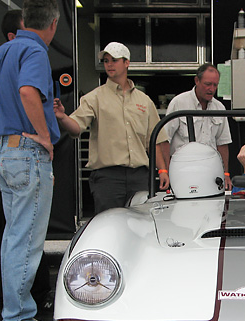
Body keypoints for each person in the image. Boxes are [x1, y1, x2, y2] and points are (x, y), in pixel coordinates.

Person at [0, 0, 61, 321]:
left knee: (13, 240)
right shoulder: (35, 52)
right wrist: (42, 136)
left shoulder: (1, 53)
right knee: (26, 242)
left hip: (5, 154)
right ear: (52, 24)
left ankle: (16, 318)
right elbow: (28, 91)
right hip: (28, 154)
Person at [54, 42, 170, 214]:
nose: (109, 64)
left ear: (126, 63)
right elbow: (76, 127)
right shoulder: (94, 97)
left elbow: (155, 140)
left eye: (114, 60)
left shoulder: (144, 100)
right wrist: (63, 117)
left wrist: (163, 170)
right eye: (106, 60)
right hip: (108, 177)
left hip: (140, 175)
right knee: (108, 226)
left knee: (141, 226)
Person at [165, 63, 232, 190]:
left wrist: (226, 174)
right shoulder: (179, 103)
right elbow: (164, 140)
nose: (211, 89)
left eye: (215, 85)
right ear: (197, 80)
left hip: (211, 172)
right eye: (208, 84)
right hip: (183, 171)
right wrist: (166, 171)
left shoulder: (219, 108)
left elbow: (223, 143)